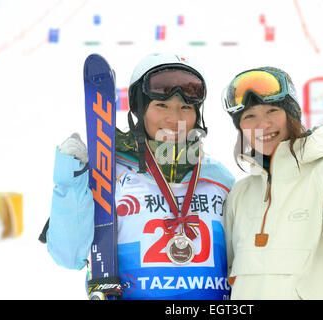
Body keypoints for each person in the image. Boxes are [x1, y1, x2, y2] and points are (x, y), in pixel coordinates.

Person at [45, 53, 234, 300]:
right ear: (139, 109)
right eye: (161, 106)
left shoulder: (219, 179)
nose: (174, 118)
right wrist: (70, 182)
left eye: (186, 107)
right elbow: (68, 255)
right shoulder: (109, 174)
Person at [221, 66, 323, 299]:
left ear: (292, 115)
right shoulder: (241, 193)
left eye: (271, 111)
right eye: (250, 116)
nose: (262, 125)